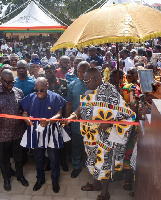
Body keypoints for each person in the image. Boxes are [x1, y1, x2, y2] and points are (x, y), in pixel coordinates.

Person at [62, 68, 135, 200]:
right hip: (92, 135)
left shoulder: (110, 91)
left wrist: (110, 122)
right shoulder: (90, 91)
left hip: (107, 137)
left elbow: (128, 114)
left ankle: (105, 193)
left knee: (104, 162)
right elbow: (82, 106)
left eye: (86, 81)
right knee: (93, 160)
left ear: (96, 79)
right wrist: (72, 116)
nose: (85, 84)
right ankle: (96, 184)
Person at [20, 77, 70, 193]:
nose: (38, 93)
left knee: (54, 159)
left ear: (47, 86)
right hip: (36, 132)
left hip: (52, 131)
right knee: (38, 158)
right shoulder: (31, 97)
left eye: (41, 90)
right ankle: (40, 179)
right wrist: (25, 118)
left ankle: (55, 180)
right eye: (36, 90)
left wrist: (48, 121)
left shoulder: (55, 97)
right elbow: (24, 112)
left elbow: (59, 114)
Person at [0, 69, 29, 191]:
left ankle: (20, 176)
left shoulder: (19, 92)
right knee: (4, 160)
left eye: (12, 82)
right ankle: (6, 179)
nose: (11, 84)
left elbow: (24, 109)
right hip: (1, 135)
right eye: (8, 82)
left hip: (17, 132)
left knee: (19, 158)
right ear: (1, 80)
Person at [65, 61, 90, 178]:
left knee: (89, 145)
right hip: (76, 121)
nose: (81, 74)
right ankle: (76, 166)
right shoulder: (72, 85)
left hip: (91, 123)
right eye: (79, 71)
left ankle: (89, 164)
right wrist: (67, 119)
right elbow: (69, 103)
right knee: (76, 145)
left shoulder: (94, 85)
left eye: (84, 71)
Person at [43, 64, 69, 171]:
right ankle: (50, 161)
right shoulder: (44, 84)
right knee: (49, 141)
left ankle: (63, 161)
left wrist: (67, 118)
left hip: (61, 117)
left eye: (50, 71)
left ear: (55, 71)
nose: (48, 73)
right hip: (49, 119)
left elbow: (68, 102)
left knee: (63, 140)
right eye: (46, 72)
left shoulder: (64, 83)